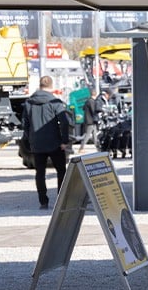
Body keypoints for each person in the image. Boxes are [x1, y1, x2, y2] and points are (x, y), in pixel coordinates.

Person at [21, 75, 72, 210]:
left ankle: (43, 201)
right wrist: (64, 141)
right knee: (61, 171)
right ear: (51, 86)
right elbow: (65, 122)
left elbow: (25, 124)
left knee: (40, 173)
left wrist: (30, 139)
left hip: (37, 144)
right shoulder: (55, 102)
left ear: (40, 85)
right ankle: (61, 201)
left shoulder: (28, 103)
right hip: (55, 143)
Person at [77, 88, 102, 153]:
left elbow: (83, 108)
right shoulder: (91, 101)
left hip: (89, 121)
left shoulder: (87, 101)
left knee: (94, 136)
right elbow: (93, 111)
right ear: (95, 94)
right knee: (87, 135)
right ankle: (81, 148)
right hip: (91, 121)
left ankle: (98, 148)